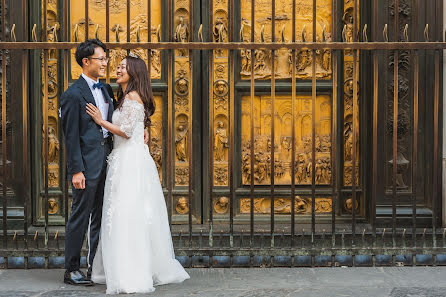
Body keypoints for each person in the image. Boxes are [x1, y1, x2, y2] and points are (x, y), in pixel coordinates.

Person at [88, 54, 190, 294]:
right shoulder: (124, 97)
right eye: (119, 66)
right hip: (122, 160)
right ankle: (120, 266)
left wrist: (100, 120)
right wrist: (142, 129)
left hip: (130, 163)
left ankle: (130, 271)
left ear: (133, 72)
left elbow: (123, 131)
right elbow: (133, 126)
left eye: (123, 67)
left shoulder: (132, 97)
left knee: (127, 214)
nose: (117, 70)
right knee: (121, 213)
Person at [61, 39, 150, 286]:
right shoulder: (72, 94)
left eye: (105, 59)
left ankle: (95, 267)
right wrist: (76, 170)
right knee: (80, 215)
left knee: (101, 217)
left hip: (110, 164)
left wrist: (145, 128)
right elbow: (70, 136)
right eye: (101, 59)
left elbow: (131, 114)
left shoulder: (108, 90)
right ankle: (71, 270)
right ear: (86, 61)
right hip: (86, 167)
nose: (105, 63)